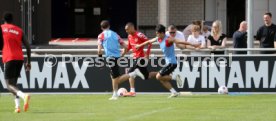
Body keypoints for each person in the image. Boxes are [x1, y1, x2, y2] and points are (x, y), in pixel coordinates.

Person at [135, 24, 194, 98]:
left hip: (172, 62)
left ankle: (175, 77)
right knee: (161, 78)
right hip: (168, 63)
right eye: (156, 33)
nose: (156, 35)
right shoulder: (158, 38)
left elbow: (180, 42)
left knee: (158, 76)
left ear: (162, 33)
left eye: (157, 33)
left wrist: (193, 44)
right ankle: (174, 92)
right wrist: (139, 46)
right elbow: (149, 41)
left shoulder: (169, 39)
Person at [97, 20, 145, 100]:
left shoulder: (101, 35)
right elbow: (125, 46)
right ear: (109, 26)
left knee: (117, 79)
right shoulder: (115, 34)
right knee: (113, 77)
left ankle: (134, 73)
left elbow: (99, 50)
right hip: (116, 57)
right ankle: (115, 94)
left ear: (101, 28)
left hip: (110, 58)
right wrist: (122, 55)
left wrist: (100, 61)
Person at [1, 12, 31, 113]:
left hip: (9, 58)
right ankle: (17, 107)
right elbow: (28, 46)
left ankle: (24, 96)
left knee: (8, 85)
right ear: (12, 20)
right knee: (14, 84)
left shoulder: (1, 28)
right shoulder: (19, 30)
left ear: (4, 20)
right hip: (20, 58)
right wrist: (29, 62)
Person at [122, 22, 156, 96]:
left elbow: (149, 43)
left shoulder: (139, 35)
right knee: (147, 76)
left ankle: (132, 91)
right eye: (125, 30)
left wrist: (147, 54)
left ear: (132, 28)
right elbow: (130, 47)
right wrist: (123, 53)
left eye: (127, 29)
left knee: (129, 71)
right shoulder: (129, 36)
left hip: (141, 58)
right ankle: (161, 74)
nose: (126, 31)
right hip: (135, 58)